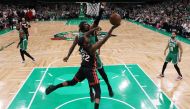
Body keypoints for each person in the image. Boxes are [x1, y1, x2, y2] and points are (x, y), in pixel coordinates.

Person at [46, 24, 119, 109]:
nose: (87, 37)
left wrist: (94, 28)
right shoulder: (92, 48)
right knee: (98, 91)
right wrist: (111, 29)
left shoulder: (81, 47)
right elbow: (103, 41)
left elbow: (85, 34)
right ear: (85, 42)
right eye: (86, 38)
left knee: (72, 82)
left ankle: (55, 87)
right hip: (90, 70)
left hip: (83, 68)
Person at [63, 4, 114, 102]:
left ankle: (109, 86)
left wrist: (101, 9)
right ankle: (91, 92)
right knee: (89, 76)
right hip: (87, 58)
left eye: (88, 24)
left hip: (95, 57)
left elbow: (97, 20)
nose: (87, 24)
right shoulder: (80, 36)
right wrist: (68, 56)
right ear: (81, 26)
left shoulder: (92, 31)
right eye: (85, 24)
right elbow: (73, 46)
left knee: (103, 74)